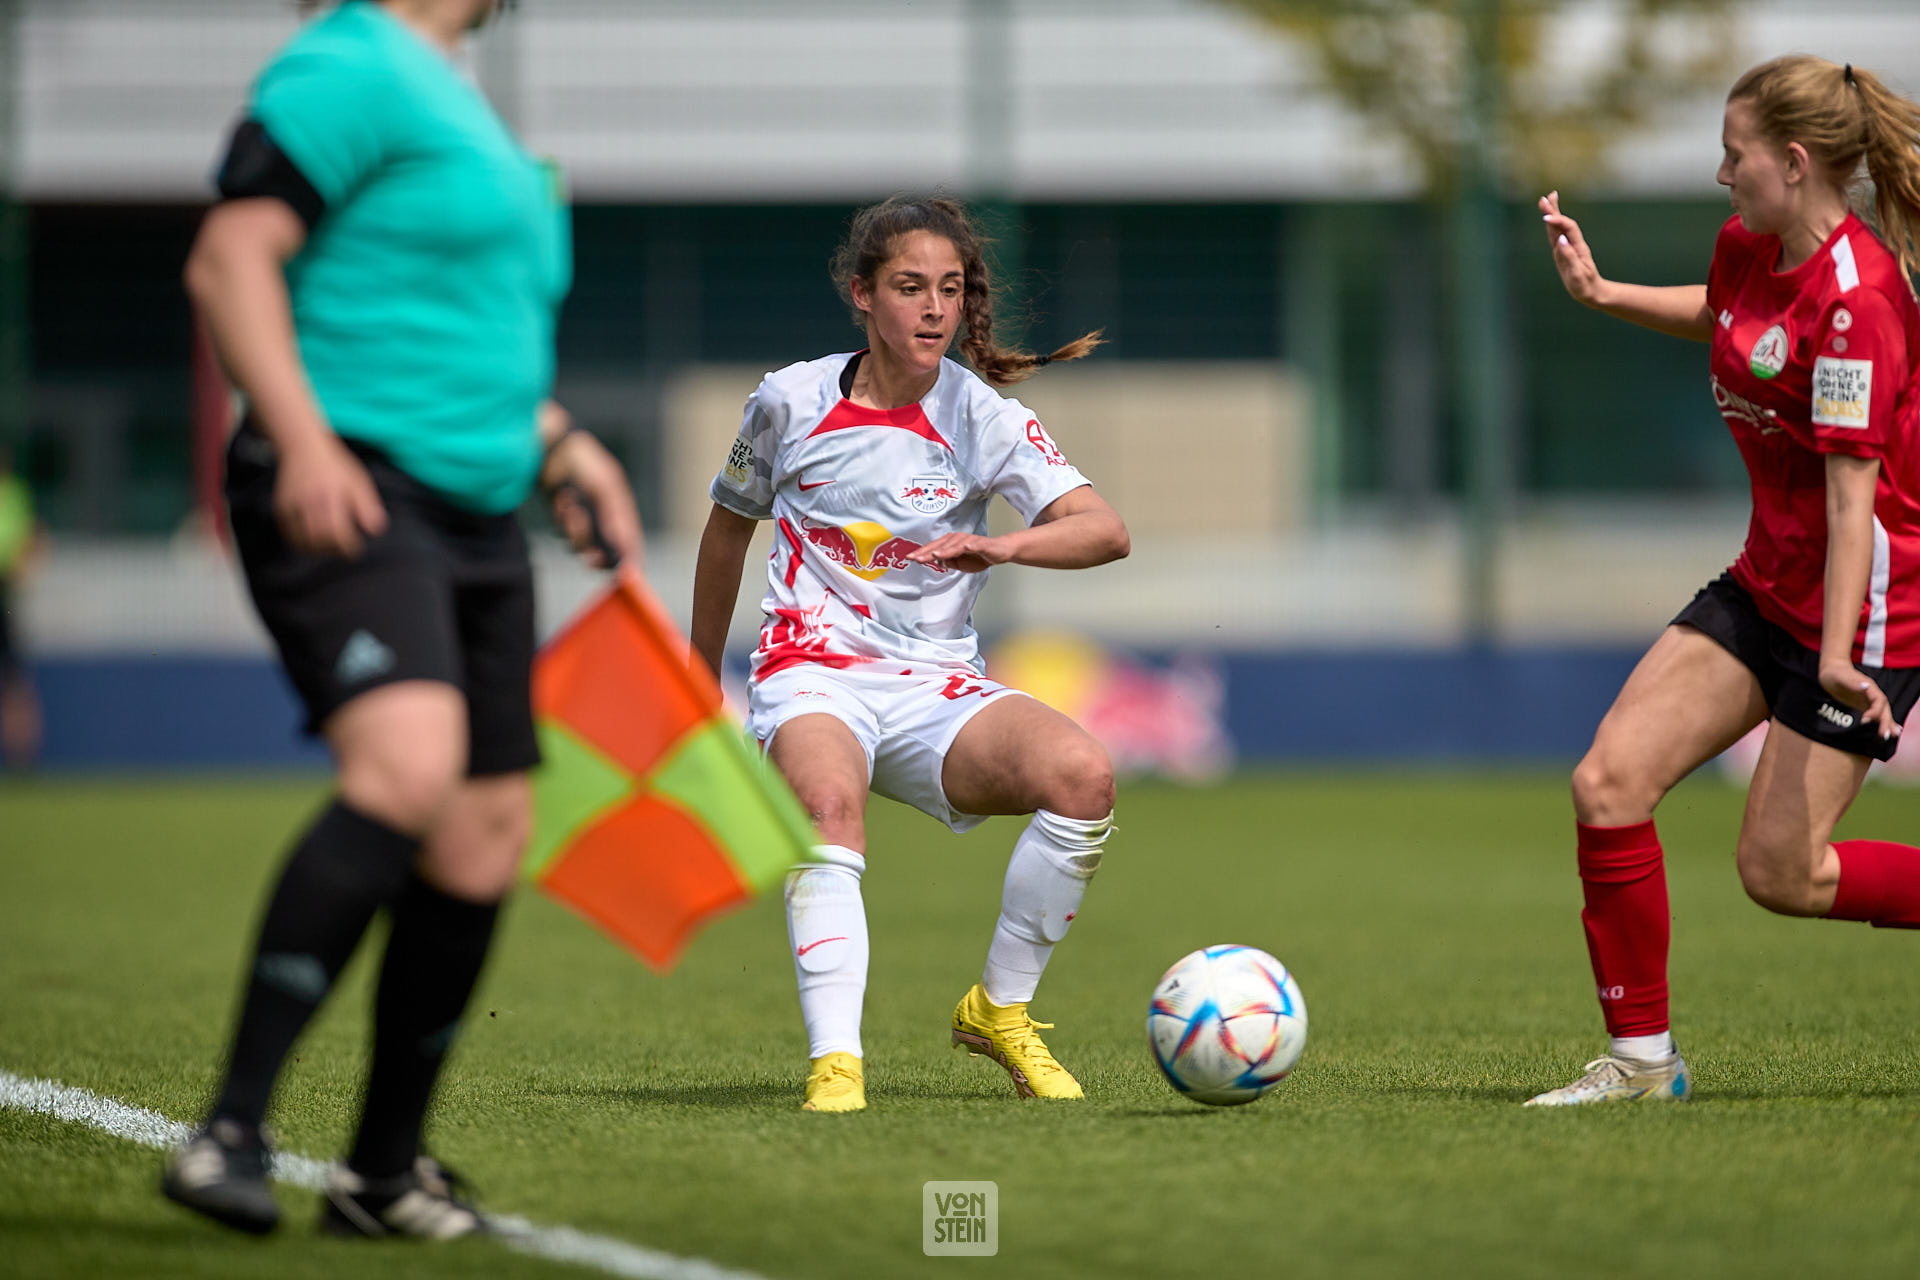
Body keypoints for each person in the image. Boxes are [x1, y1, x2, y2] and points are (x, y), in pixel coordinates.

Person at [161, 0, 641, 1236]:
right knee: (410, 766)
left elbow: (454, 328)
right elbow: (230, 255)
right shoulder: (349, 60)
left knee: (485, 829)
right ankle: (229, 1130)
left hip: (477, 510)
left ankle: (380, 1174)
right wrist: (307, 438)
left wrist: (560, 442)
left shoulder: (455, 96)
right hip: (354, 479)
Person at [1529, 55, 1920, 1106]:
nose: (1718, 172)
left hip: (1869, 605)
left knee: (1780, 874)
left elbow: (1853, 499)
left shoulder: (1861, 302)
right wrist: (1604, 291)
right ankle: (1643, 1065)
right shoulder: (1749, 244)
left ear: (1792, 163)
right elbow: (1730, 317)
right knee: (1607, 784)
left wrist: (1836, 655)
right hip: (1770, 581)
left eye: (1732, 152)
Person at [691, 196, 1129, 1112]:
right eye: (909, 288)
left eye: (951, 290)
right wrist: (697, 684)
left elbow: (1104, 531)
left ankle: (998, 1012)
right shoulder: (787, 400)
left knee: (1084, 777)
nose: (934, 309)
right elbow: (728, 530)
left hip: (937, 688)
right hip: (810, 671)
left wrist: (1001, 545)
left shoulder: (982, 416)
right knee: (826, 802)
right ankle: (836, 1064)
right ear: (862, 294)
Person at [0, 443, 45, 770]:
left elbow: (31, 541)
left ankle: (21, 762)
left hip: (5, 593)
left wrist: (23, 564)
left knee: (15, 682)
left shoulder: (15, 494)